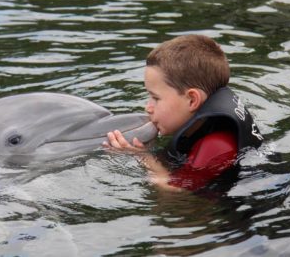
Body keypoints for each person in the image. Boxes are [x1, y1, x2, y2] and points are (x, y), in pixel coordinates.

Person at [103, 35, 263, 191]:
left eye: (155, 98)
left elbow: (176, 195)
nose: (148, 107)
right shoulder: (207, 125)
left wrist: (142, 157)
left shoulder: (217, 147)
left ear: (192, 100)